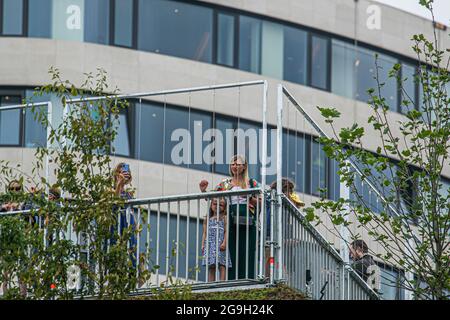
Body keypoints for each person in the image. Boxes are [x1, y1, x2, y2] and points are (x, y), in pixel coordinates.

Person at [199, 155, 260, 280]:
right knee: (230, 249)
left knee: (247, 249)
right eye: (233, 164)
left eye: (238, 164)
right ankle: (232, 280)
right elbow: (212, 199)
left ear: (244, 167)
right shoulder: (225, 184)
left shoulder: (251, 183)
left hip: (247, 216)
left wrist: (248, 196)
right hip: (230, 217)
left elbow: (260, 202)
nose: (235, 166)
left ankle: (247, 279)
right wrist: (204, 191)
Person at [201, 198, 231, 282]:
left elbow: (226, 231)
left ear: (224, 208)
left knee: (222, 264)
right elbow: (204, 233)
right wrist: (203, 244)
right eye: (215, 204)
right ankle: (211, 283)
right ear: (211, 205)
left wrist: (224, 243)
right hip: (210, 244)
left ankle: (222, 282)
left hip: (220, 243)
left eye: (221, 205)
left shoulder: (224, 218)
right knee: (211, 265)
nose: (217, 206)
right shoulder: (207, 218)